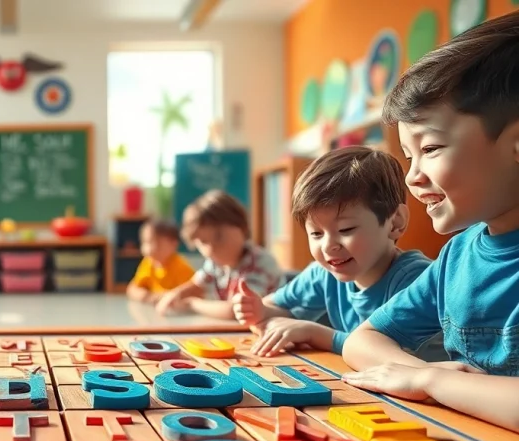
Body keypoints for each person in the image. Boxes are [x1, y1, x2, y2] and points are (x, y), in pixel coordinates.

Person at [341, 12, 519, 432]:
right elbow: (363, 340)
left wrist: (431, 379)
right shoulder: (458, 256)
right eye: (408, 155)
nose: (412, 176)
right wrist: (423, 379)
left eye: (432, 147)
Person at [233, 146, 433, 357]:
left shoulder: (418, 281)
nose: (328, 246)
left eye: (345, 230)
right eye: (316, 234)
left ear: (395, 223)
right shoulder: (325, 272)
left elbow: (394, 357)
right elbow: (274, 307)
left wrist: (313, 333)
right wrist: (259, 311)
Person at [156, 190, 283, 319]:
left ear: (242, 227)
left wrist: (192, 304)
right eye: (204, 242)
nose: (211, 249)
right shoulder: (215, 264)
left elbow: (235, 311)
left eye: (219, 237)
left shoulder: (260, 262)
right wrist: (176, 294)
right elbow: (197, 285)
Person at [126, 217, 195, 304]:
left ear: (174, 244)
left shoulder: (181, 267)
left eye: (157, 243)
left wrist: (167, 296)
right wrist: (146, 295)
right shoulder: (148, 263)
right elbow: (132, 288)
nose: (149, 249)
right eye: (145, 242)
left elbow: (193, 292)